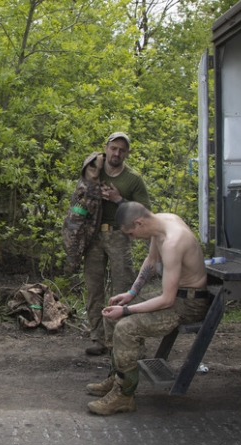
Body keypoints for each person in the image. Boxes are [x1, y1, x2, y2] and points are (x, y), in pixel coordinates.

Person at [86, 202, 209, 415]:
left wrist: (127, 311)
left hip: (188, 304)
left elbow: (167, 300)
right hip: (176, 296)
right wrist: (130, 295)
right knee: (111, 314)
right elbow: (151, 261)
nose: (133, 238)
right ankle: (117, 378)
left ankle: (124, 396)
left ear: (139, 222)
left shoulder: (173, 241)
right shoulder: (160, 223)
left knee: (126, 327)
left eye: (131, 233)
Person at [80, 132, 151, 356]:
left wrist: (118, 200)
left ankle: (121, 339)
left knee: (122, 287)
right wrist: (92, 196)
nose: (117, 153)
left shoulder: (133, 179)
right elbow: (78, 198)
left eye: (122, 150)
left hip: (120, 235)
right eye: (113, 148)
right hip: (93, 236)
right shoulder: (94, 170)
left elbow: (145, 213)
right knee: (94, 288)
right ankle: (98, 338)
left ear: (127, 153)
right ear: (106, 148)